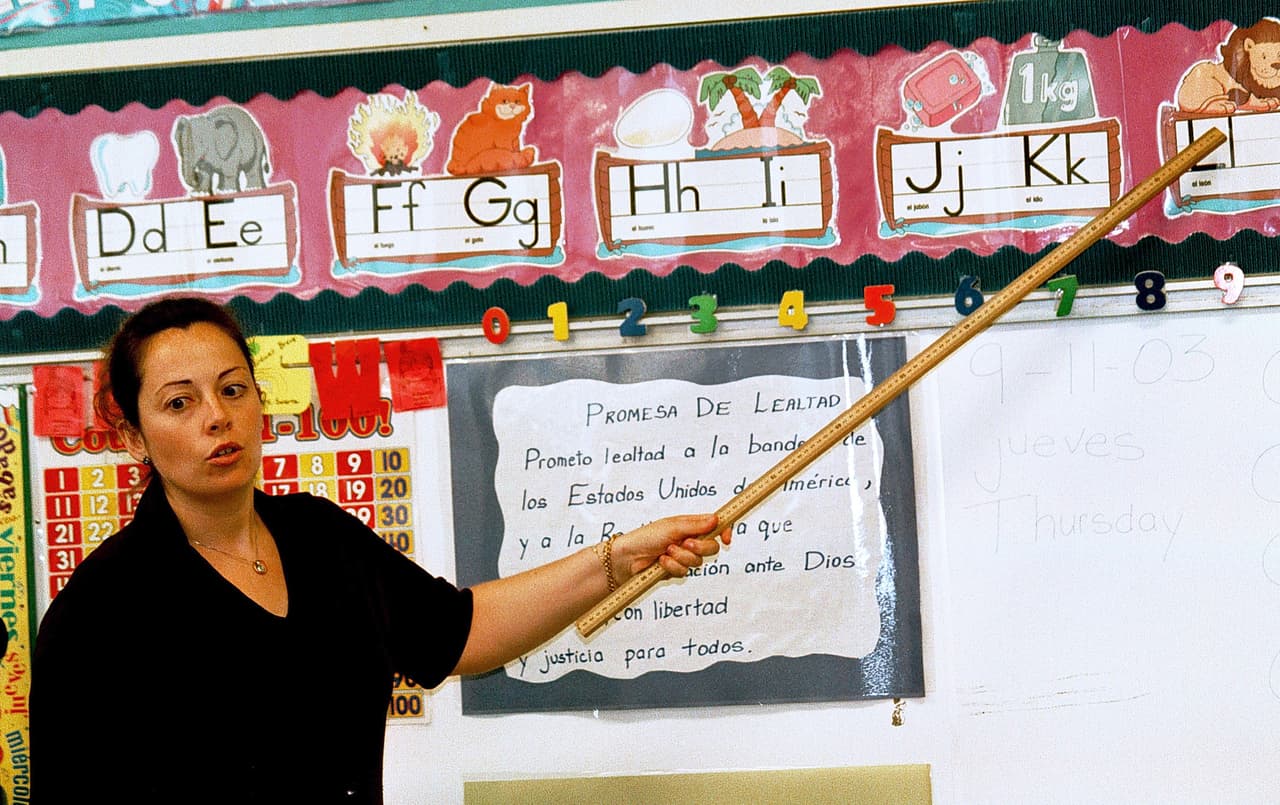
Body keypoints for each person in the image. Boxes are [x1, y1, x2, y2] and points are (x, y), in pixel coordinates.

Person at [31, 296, 727, 804]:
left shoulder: (318, 536)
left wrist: (622, 557)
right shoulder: (97, 614)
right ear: (133, 437)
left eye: (233, 388)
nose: (217, 415)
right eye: (178, 403)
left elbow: (459, 630)